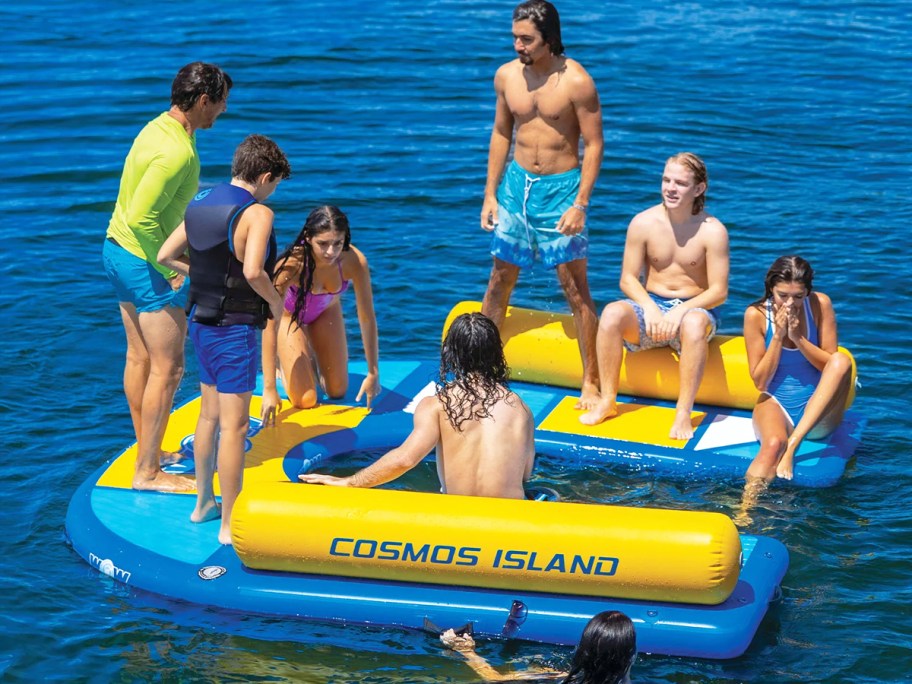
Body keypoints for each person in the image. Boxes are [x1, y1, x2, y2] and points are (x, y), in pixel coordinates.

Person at [102, 61, 233, 492]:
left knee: (139, 358)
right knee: (169, 368)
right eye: (219, 104)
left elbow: (143, 205)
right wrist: (171, 268)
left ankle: (149, 450)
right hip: (145, 265)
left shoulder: (158, 128)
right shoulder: (177, 151)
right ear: (201, 101)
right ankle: (147, 473)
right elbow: (143, 217)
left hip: (117, 253)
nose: (222, 112)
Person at [158, 134, 291, 544]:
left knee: (208, 416)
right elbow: (253, 271)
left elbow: (165, 255)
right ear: (265, 176)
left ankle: (203, 504)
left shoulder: (200, 201)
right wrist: (277, 305)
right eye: (274, 185)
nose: (272, 193)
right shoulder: (257, 213)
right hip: (234, 330)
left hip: (201, 322)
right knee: (233, 428)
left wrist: (206, 277)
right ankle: (230, 524)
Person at [480, 0, 604, 410]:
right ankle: (481, 367)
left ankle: (592, 381)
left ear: (549, 39)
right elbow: (501, 133)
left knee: (574, 286)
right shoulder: (506, 76)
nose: (518, 45)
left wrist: (580, 204)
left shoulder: (576, 82)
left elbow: (595, 144)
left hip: (562, 192)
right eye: (515, 37)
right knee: (500, 279)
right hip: (517, 187)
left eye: (527, 39)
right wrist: (490, 193)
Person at [299, 312, 534, 498]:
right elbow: (524, 474)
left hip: (460, 516)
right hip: (509, 520)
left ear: (451, 355)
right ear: (496, 354)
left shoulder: (438, 405)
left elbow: (405, 459)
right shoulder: (521, 409)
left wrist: (351, 481)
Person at [580, 153, 729, 440]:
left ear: (698, 189)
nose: (670, 188)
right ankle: (608, 401)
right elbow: (627, 279)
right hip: (652, 308)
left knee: (694, 324)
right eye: (666, 180)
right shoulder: (643, 223)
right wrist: (649, 307)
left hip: (695, 310)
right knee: (611, 313)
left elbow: (718, 292)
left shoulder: (714, 231)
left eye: (681, 183)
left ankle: (683, 412)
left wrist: (680, 311)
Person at [259, 206, 380, 417]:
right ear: (308, 238)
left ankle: (310, 353)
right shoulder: (291, 265)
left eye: (338, 243)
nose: (331, 252)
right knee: (306, 400)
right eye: (322, 244)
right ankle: (286, 360)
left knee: (337, 391)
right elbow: (269, 323)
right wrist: (269, 388)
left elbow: (367, 318)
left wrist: (373, 373)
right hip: (289, 317)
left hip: (326, 313)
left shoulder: (354, 261)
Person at [742, 256, 852, 485]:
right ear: (771, 288)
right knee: (772, 446)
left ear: (808, 292)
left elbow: (830, 366)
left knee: (841, 360)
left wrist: (797, 338)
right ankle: (746, 510)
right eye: (783, 295)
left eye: (798, 296)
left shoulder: (820, 304)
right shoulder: (756, 315)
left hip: (821, 413)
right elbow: (761, 383)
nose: (790, 303)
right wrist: (779, 337)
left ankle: (794, 444)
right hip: (776, 403)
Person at [440, 610, 636, 683]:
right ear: (631, 656)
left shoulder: (556, 677)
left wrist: (467, 651)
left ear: (582, 648)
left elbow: (494, 678)